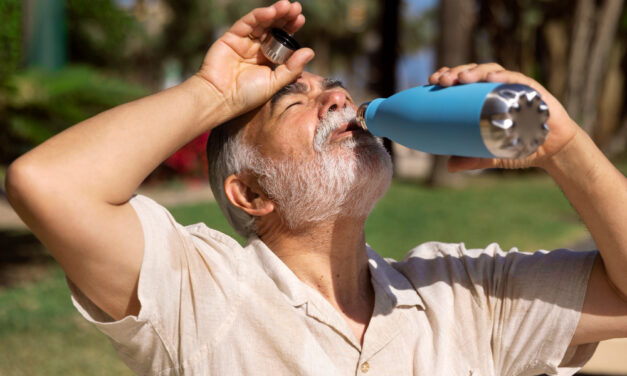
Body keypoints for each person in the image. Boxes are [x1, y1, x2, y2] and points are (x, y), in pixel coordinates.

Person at [5, 1, 627, 375]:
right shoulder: (200, 292)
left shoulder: (465, 296)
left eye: (334, 88)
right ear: (251, 194)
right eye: (293, 102)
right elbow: (49, 184)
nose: (339, 97)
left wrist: (563, 148)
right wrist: (213, 94)